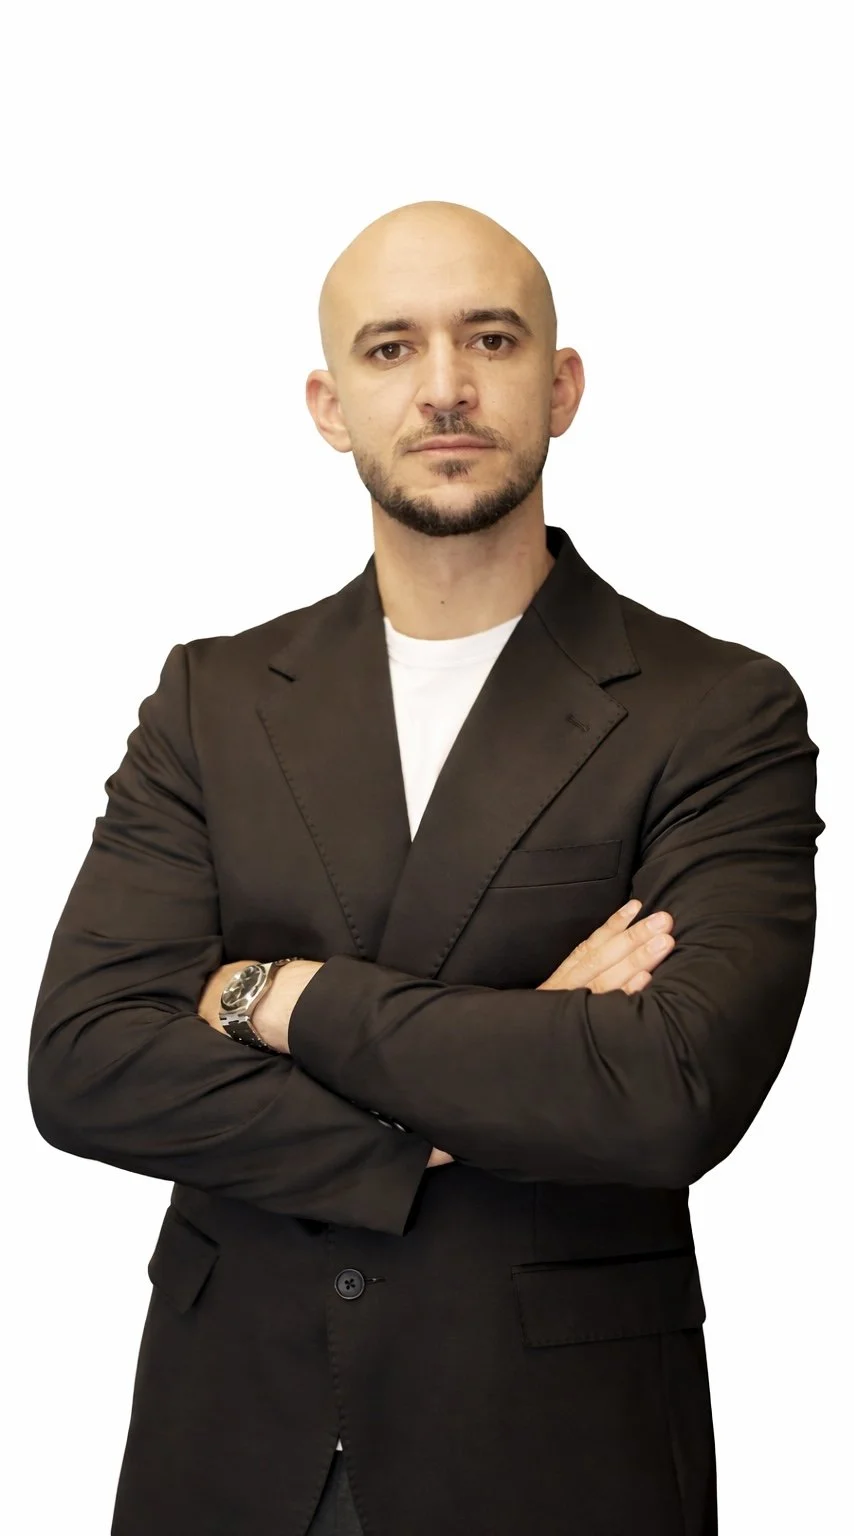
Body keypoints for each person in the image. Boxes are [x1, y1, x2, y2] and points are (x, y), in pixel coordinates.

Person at [28, 200, 824, 1536]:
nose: (445, 387)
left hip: (551, 1451)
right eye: (390, 349)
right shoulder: (212, 702)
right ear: (329, 404)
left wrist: (275, 997)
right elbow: (88, 1062)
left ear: (559, 385)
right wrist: (510, 1062)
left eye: (490, 339)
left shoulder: (714, 709)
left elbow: (667, 1089)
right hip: (230, 1439)